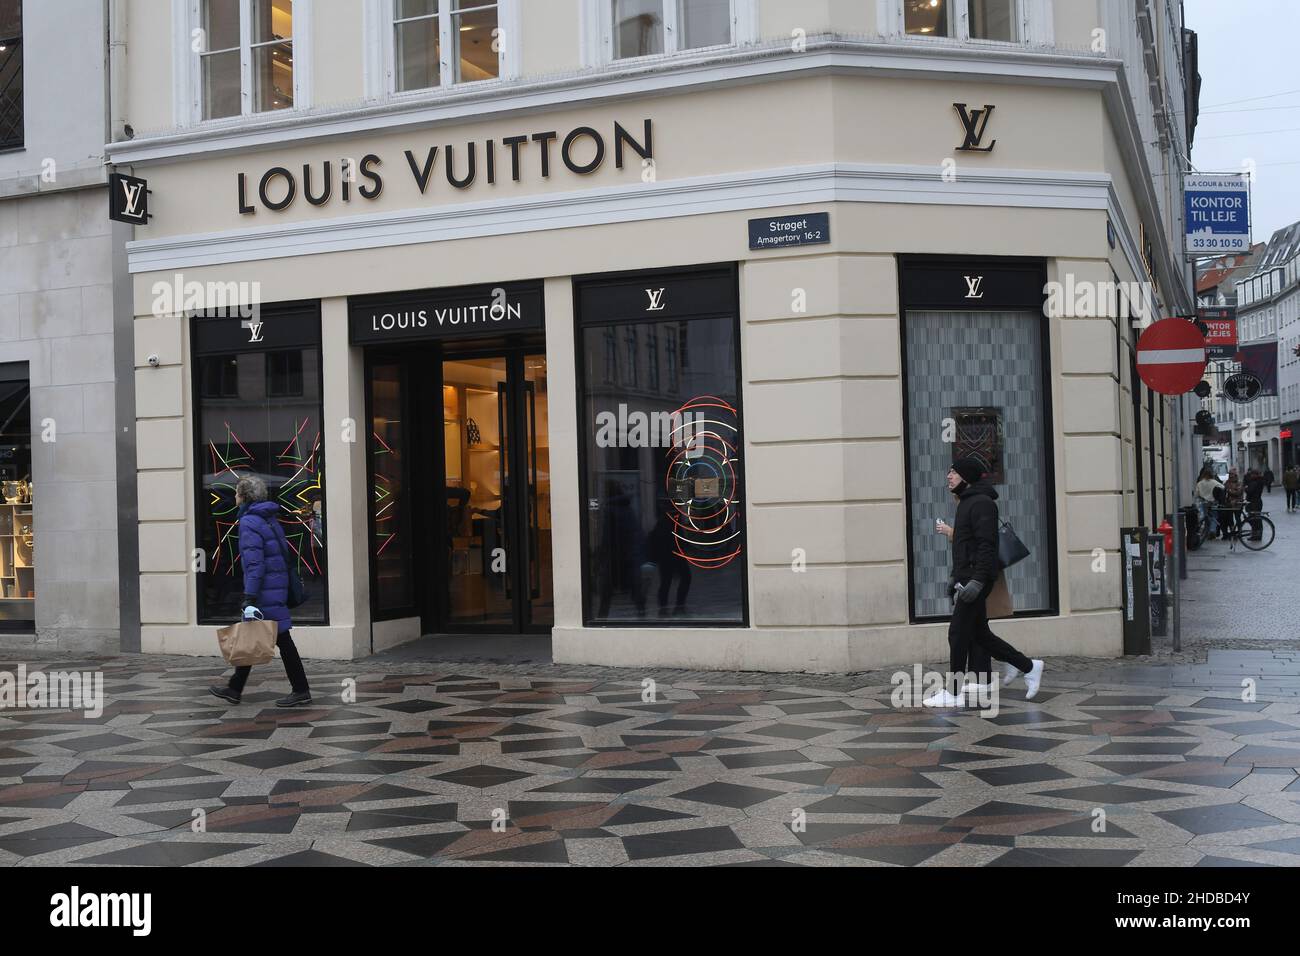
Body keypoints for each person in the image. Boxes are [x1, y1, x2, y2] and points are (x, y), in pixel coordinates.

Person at [925, 455, 1043, 707]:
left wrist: (977, 581)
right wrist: (955, 579)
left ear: (965, 477)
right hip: (967, 578)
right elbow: (964, 546)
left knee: (957, 634)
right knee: (979, 635)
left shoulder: (981, 504)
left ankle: (954, 693)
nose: (948, 476)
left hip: (975, 581)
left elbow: (986, 546)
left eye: (953, 472)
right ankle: (1029, 666)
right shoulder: (967, 502)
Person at [209, 475, 312, 707]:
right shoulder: (268, 518)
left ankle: (301, 689)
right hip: (276, 585)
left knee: (281, 639)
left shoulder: (248, 522)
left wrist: (250, 597)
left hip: (265, 590)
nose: (234, 496)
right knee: (254, 633)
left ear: (244, 496)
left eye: (236, 492)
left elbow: (255, 563)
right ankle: (235, 688)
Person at [1193, 465, 1223, 540]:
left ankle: (1205, 531)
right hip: (1213, 502)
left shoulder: (1200, 483)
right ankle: (1212, 530)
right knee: (1214, 516)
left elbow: (1196, 494)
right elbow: (1222, 487)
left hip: (1203, 502)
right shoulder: (1214, 482)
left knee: (1204, 517)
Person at [1243, 468, 1266, 541]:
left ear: (1255, 475)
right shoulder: (1259, 481)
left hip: (1254, 503)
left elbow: (1250, 491)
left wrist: (1246, 488)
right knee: (1256, 519)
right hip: (1257, 502)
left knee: (1254, 519)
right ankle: (1257, 535)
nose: (1251, 476)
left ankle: (1256, 535)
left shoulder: (1255, 482)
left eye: (1252, 474)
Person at [1222, 468, 1244, 538]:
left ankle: (1240, 532)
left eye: (1232, 474)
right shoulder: (1227, 482)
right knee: (1230, 519)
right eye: (1229, 474)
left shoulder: (1239, 482)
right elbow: (1224, 490)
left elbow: (1238, 492)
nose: (1230, 476)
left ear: (1235, 475)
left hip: (1237, 503)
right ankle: (1232, 532)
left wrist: (1229, 491)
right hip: (1229, 504)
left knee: (1238, 518)